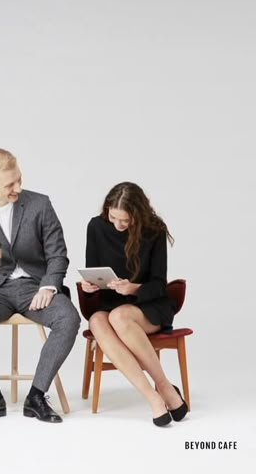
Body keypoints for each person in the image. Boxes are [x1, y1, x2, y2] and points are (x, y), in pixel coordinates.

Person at [0, 149, 80, 423]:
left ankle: (36, 396)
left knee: (69, 318)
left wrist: (48, 286)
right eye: (10, 184)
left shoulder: (40, 204)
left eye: (19, 180)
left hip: (34, 287)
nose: (18, 188)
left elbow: (58, 254)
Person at [80, 182, 188, 426]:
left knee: (119, 317)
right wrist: (90, 286)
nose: (118, 225)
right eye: (113, 217)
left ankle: (164, 387)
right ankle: (154, 398)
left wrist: (133, 288)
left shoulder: (155, 231)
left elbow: (160, 284)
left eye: (124, 221)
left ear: (137, 216)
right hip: (110, 304)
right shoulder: (96, 227)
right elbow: (93, 270)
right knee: (97, 320)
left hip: (148, 305)